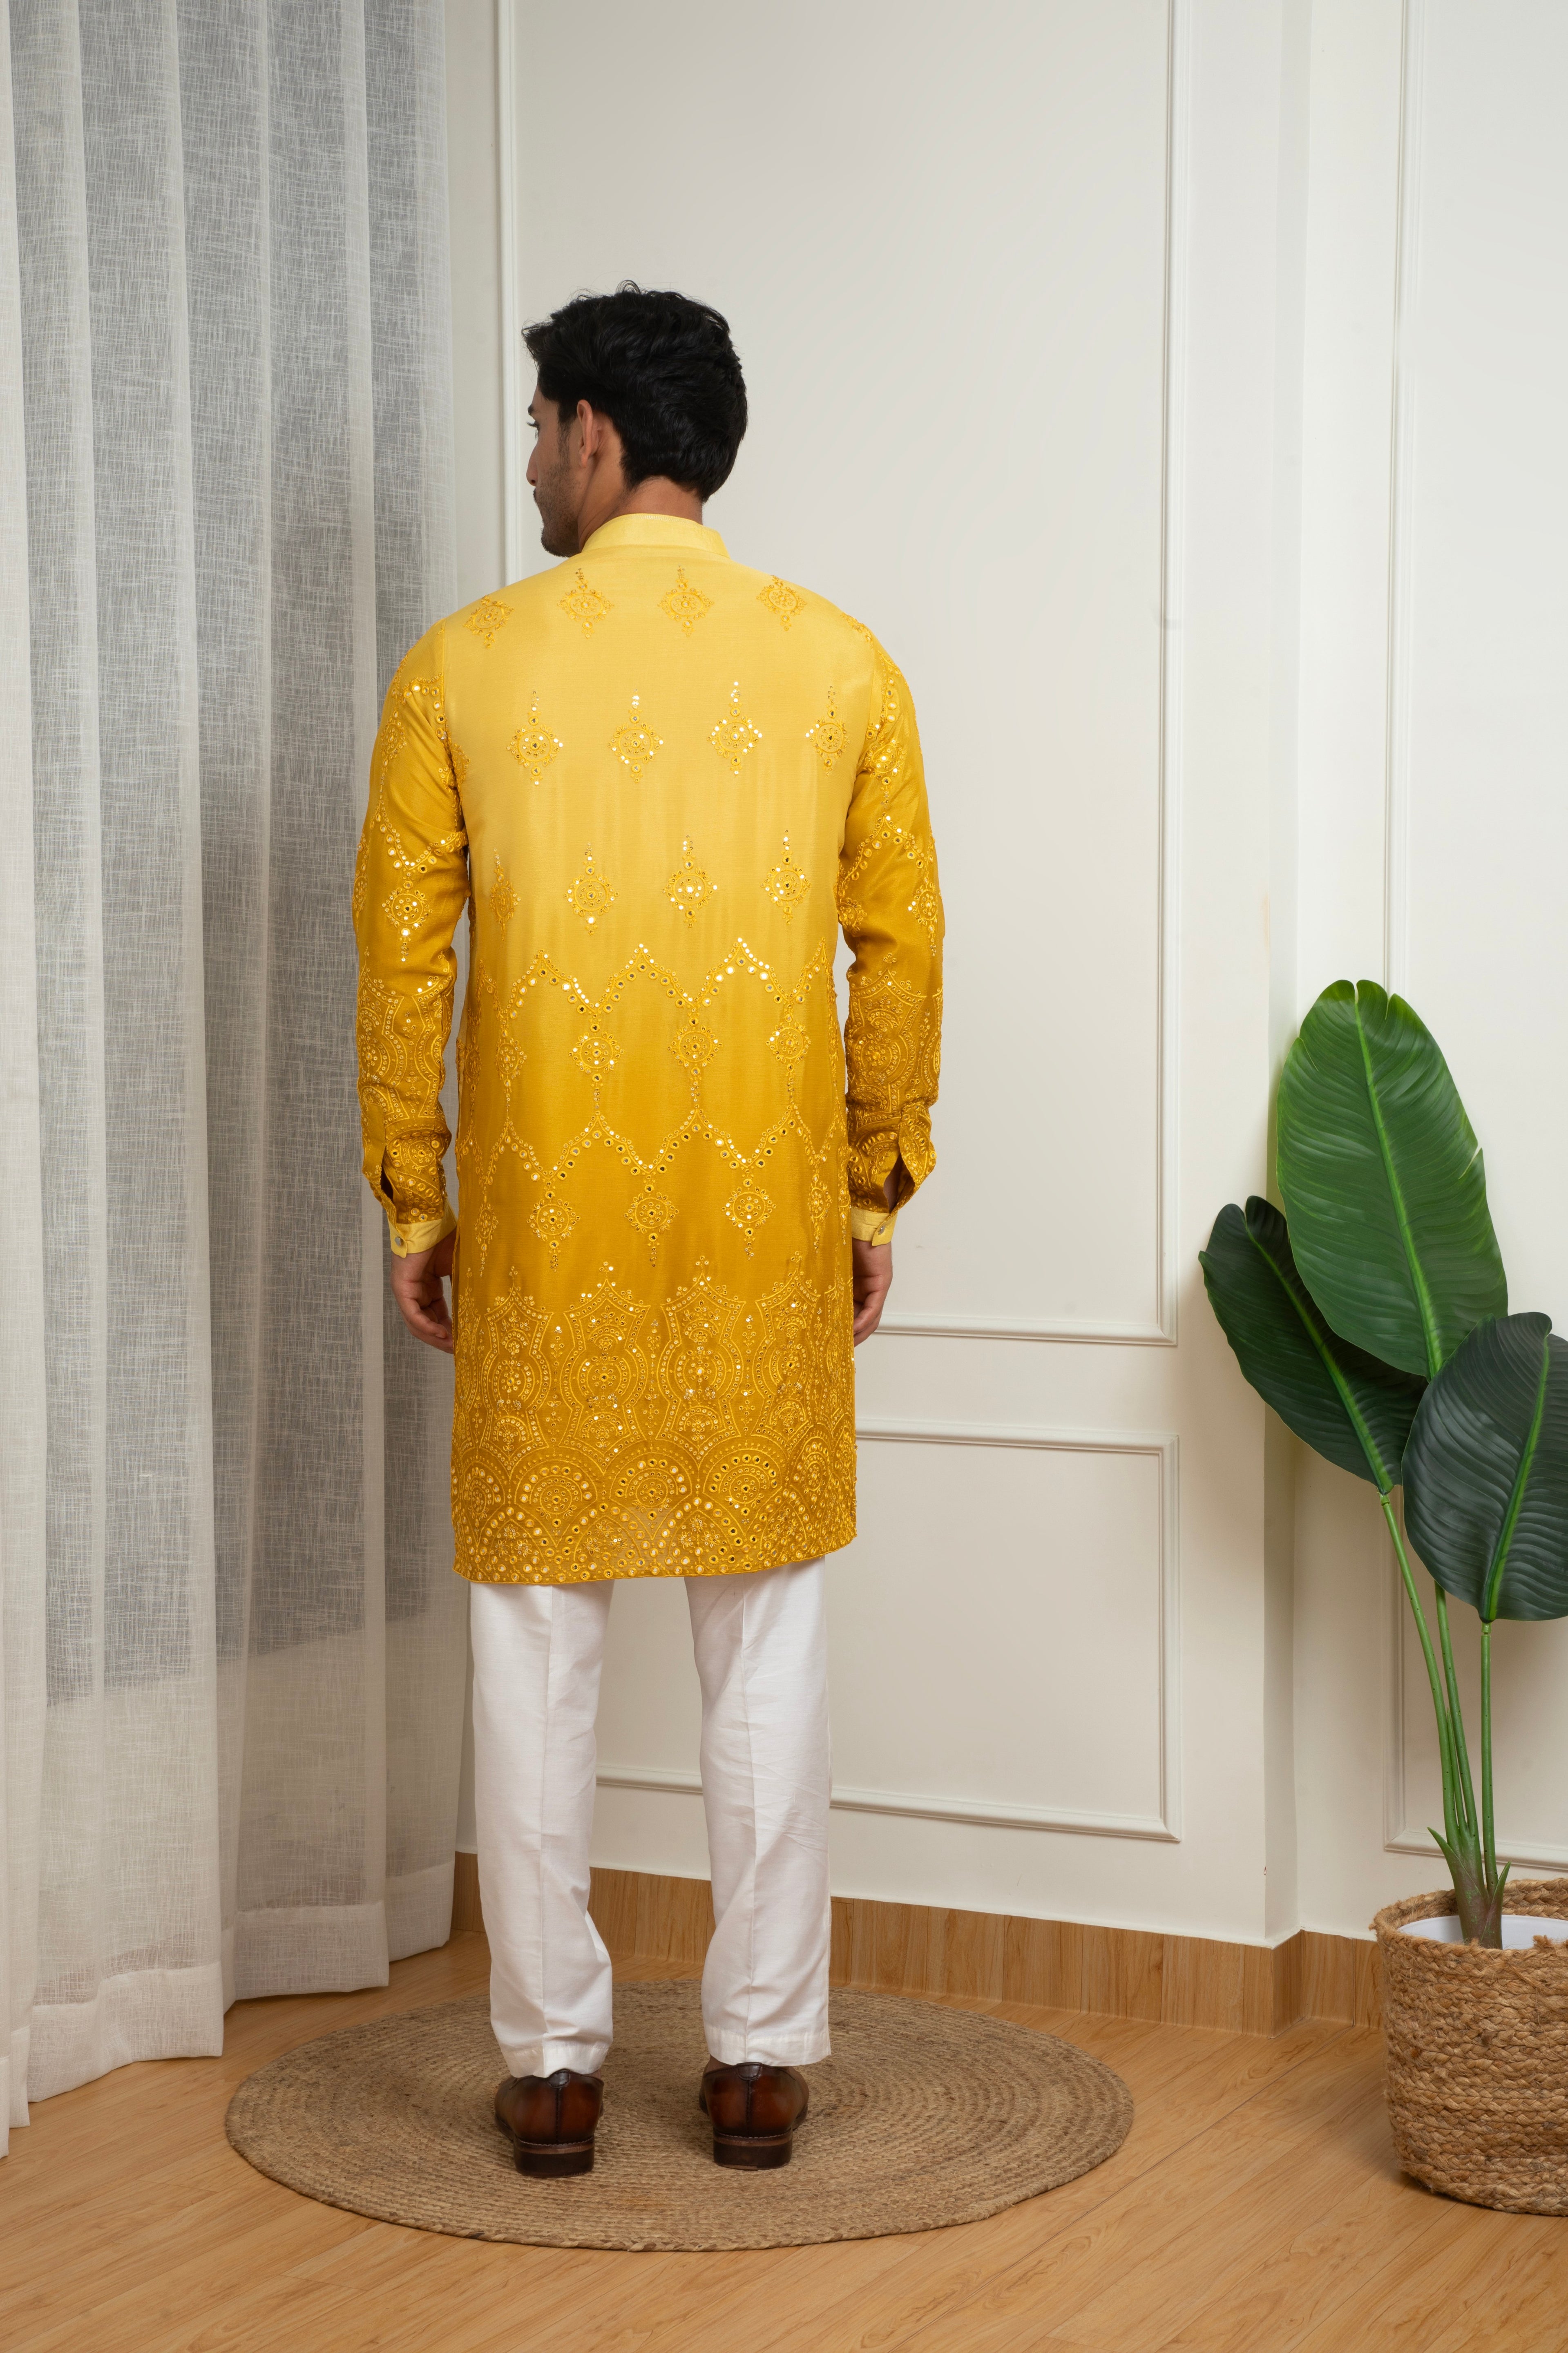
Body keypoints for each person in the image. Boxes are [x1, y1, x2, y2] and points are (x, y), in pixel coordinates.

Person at [353, 284, 943, 2177]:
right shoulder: (841, 666)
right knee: (763, 1635)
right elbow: (902, 952)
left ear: (599, 435)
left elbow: (403, 962)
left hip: (545, 1224)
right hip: (762, 1226)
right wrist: (869, 1183)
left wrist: (417, 1197)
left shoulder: (461, 667)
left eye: (540, 428)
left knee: (536, 1639)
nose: (530, 461)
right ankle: (759, 2055)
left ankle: (552, 2066)